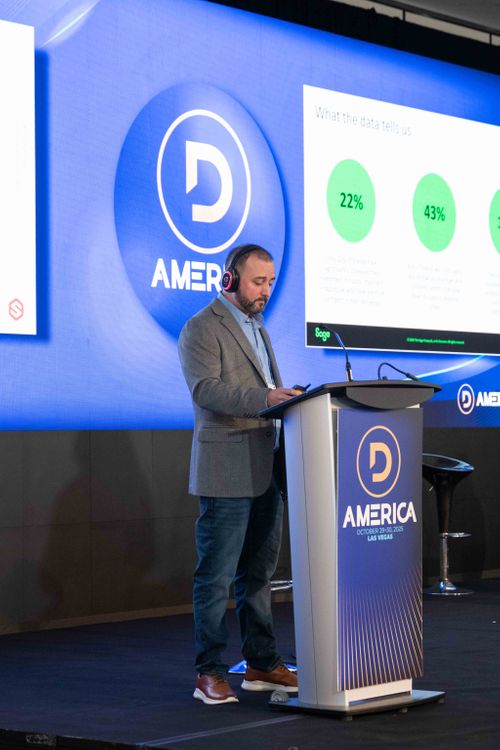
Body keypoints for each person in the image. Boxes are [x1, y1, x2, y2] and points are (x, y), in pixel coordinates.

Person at [178, 243, 300, 705]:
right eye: (257, 281)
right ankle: (209, 672)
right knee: (216, 577)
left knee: (259, 575)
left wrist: (286, 400)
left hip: (267, 466)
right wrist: (267, 399)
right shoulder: (202, 326)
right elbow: (206, 390)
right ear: (229, 279)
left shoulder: (258, 327)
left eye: (270, 282)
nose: (266, 290)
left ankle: (261, 663)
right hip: (226, 469)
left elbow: (264, 390)